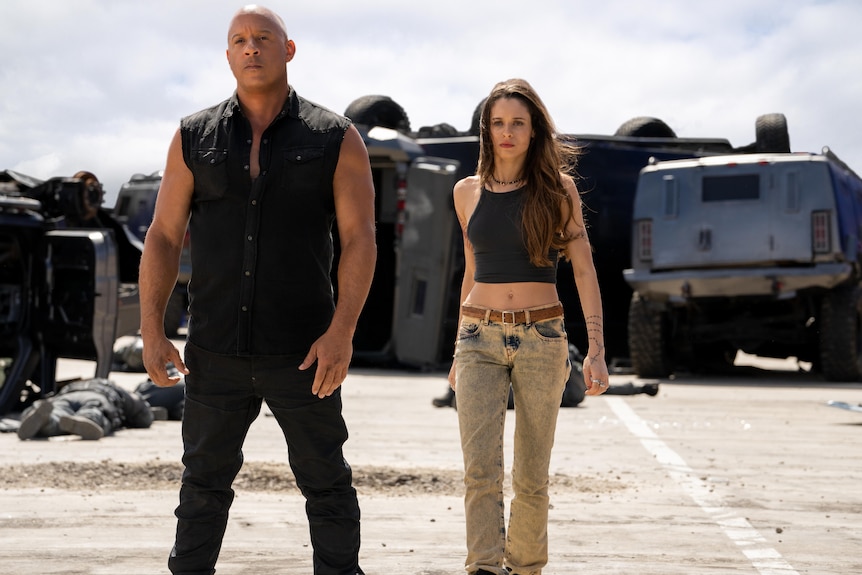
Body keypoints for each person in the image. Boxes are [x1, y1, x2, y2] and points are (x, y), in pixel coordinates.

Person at [138, 6, 376, 575]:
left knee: (327, 483)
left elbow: (360, 240)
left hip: (304, 351)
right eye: (239, 40)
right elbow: (164, 236)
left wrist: (341, 332)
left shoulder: (334, 137)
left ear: (287, 51)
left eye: (263, 38)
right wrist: (152, 329)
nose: (251, 48)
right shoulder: (193, 136)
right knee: (202, 486)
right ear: (227, 56)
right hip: (214, 349)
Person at [447, 78, 611, 575]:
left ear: (534, 128)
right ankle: (483, 567)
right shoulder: (465, 192)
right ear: (486, 130)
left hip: (543, 338)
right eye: (498, 123)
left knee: (532, 475)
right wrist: (457, 349)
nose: (507, 132)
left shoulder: (557, 190)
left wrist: (597, 349)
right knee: (480, 470)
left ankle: (526, 567)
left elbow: (583, 268)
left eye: (518, 122)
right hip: (478, 338)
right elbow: (471, 271)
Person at [16, 378, 154, 440]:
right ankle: (86, 419)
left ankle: (48, 422)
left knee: (58, 411)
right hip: (98, 395)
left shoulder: (76, 384)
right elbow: (143, 416)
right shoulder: (116, 389)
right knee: (95, 410)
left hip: (67, 395)